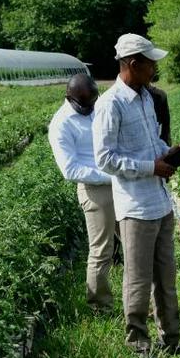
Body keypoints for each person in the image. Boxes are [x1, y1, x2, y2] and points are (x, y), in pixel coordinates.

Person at [93, 33, 180, 358]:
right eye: (150, 64)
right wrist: (150, 167)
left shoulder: (146, 98)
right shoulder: (110, 104)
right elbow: (105, 158)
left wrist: (169, 154)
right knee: (138, 281)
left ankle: (172, 340)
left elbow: (152, 144)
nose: (154, 70)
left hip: (160, 203)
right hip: (135, 209)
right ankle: (139, 345)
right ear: (133, 64)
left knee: (166, 278)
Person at [48, 73, 115, 313]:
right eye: (82, 104)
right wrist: (111, 176)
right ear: (69, 97)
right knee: (101, 250)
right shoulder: (61, 123)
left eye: (92, 102)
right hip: (96, 191)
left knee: (134, 243)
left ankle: (139, 301)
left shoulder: (96, 108)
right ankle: (100, 305)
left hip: (119, 182)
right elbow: (70, 169)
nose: (88, 108)